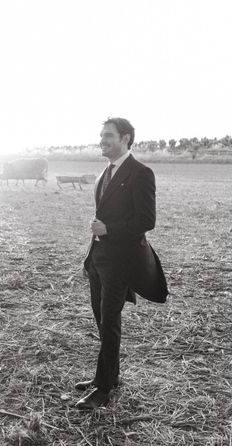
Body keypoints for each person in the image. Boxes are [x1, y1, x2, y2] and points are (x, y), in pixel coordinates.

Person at [75, 117, 168, 410]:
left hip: (121, 261)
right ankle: (108, 375)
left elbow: (146, 220)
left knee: (110, 321)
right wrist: (92, 254)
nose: (102, 140)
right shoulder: (105, 172)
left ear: (126, 138)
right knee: (101, 319)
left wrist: (109, 230)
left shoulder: (141, 173)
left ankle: (104, 389)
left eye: (108, 136)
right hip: (99, 259)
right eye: (101, 136)